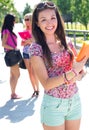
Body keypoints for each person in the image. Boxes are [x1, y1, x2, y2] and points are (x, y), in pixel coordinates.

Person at [29, 1, 87, 130]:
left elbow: (79, 71)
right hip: (53, 105)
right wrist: (73, 72)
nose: (49, 23)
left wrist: (80, 74)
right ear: (37, 23)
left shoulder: (67, 42)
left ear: (58, 19)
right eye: (43, 20)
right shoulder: (36, 49)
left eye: (52, 18)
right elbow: (46, 83)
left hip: (74, 100)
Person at [1, 14, 21, 99]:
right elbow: (3, 44)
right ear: (10, 21)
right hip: (11, 54)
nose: (14, 22)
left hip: (10, 54)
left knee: (13, 74)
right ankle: (13, 93)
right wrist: (14, 48)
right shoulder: (6, 31)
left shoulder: (7, 30)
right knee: (17, 74)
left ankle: (13, 93)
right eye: (13, 20)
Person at [21, 13, 39, 97]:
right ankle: (34, 90)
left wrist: (28, 41)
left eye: (28, 19)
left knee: (34, 71)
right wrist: (28, 41)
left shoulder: (36, 31)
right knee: (30, 72)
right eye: (25, 19)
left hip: (33, 52)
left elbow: (36, 41)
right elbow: (22, 43)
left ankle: (38, 89)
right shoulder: (24, 31)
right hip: (25, 52)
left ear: (32, 20)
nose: (26, 21)